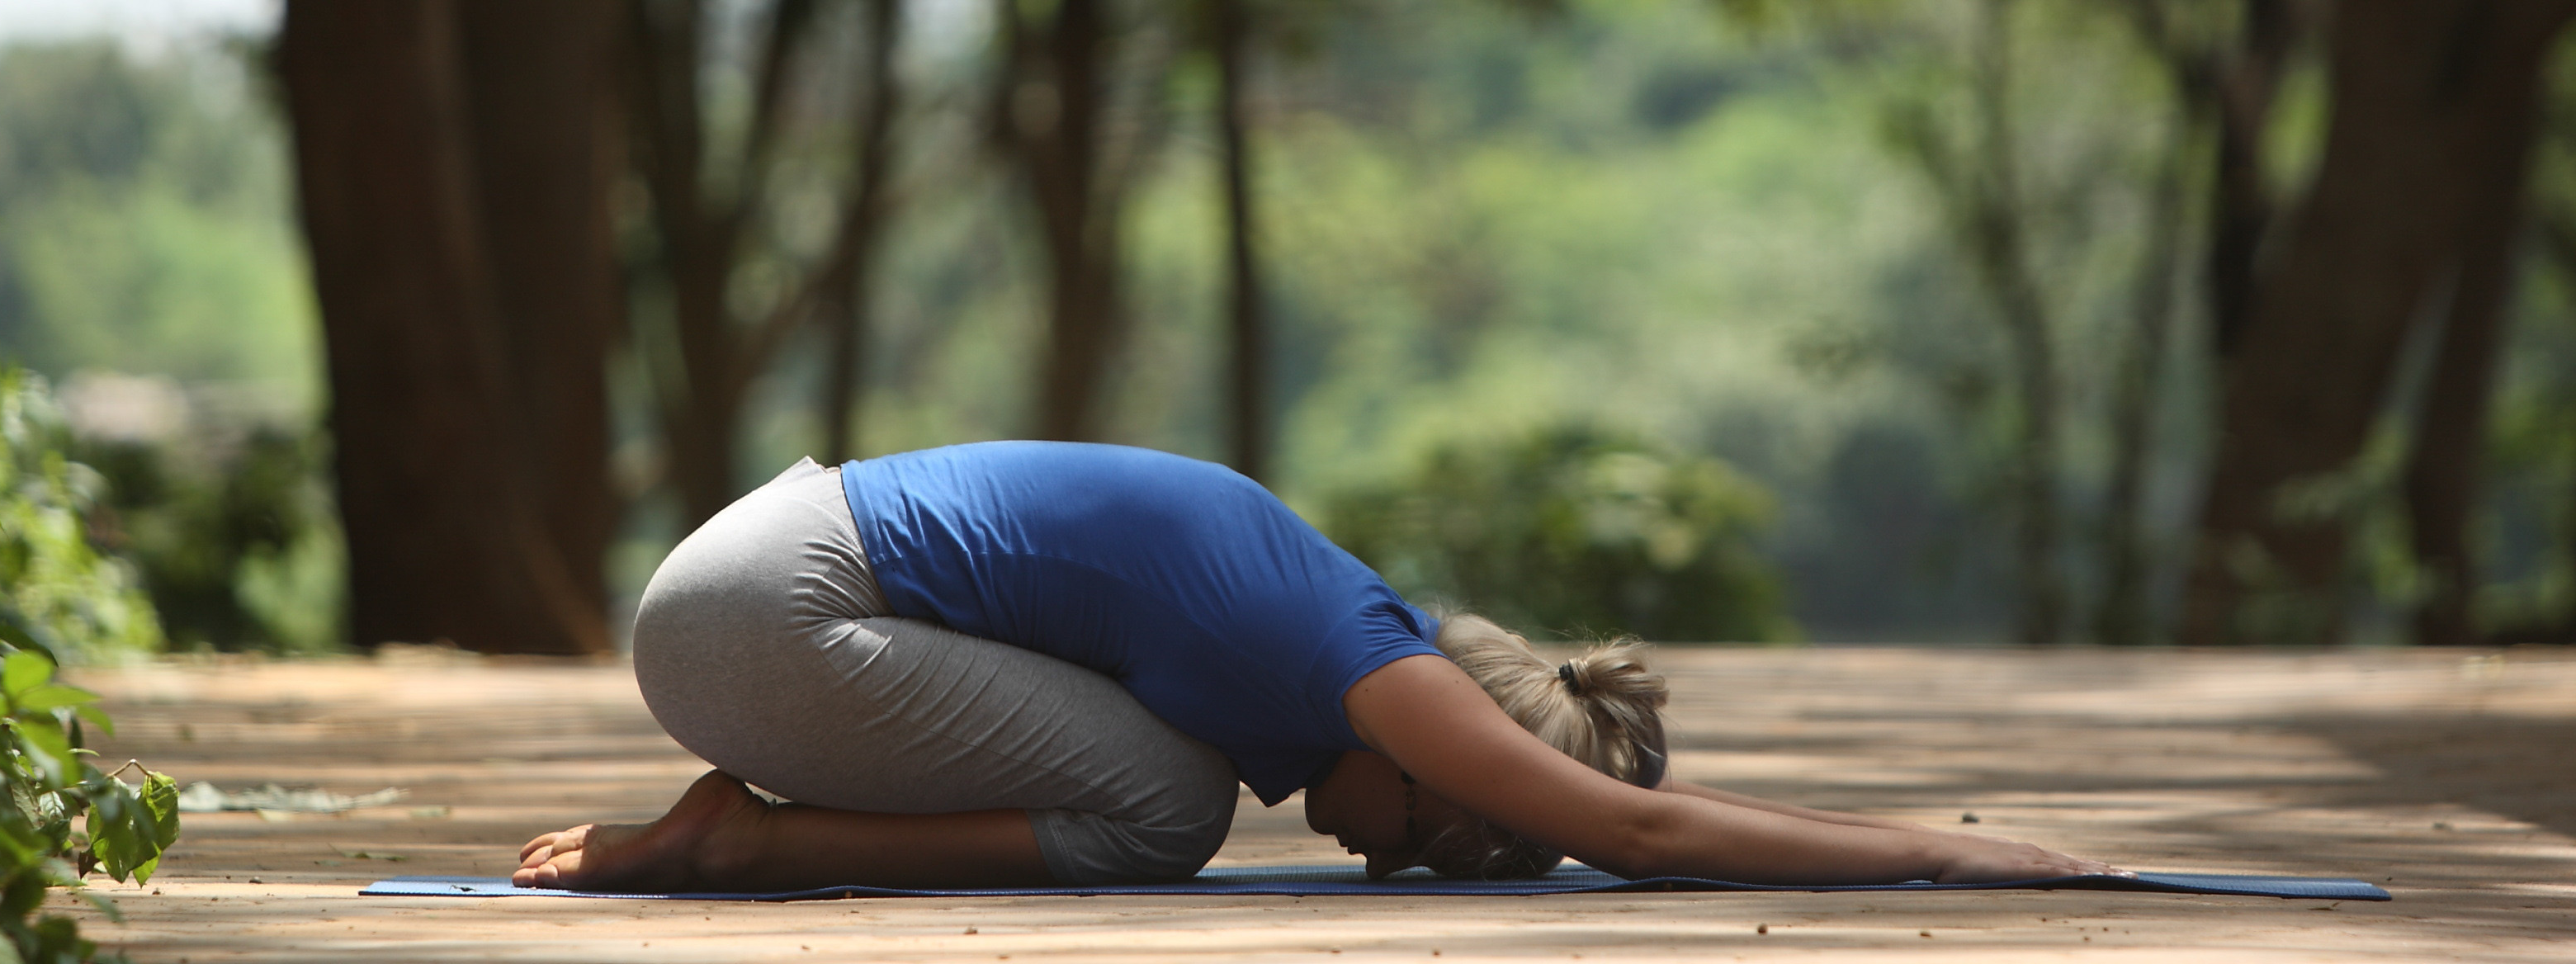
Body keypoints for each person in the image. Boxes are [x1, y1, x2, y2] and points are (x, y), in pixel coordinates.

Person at [515, 442, 2105, 891]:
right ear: (1436, 758)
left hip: (757, 572)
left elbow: (1620, 812)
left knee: (1170, 786)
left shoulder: (1339, 631)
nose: (1370, 856)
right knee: (1164, 811)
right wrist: (1962, 856)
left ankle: (745, 830)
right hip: (767, 610)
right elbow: (1637, 841)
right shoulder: (1369, 666)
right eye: (1417, 843)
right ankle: (748, 844)